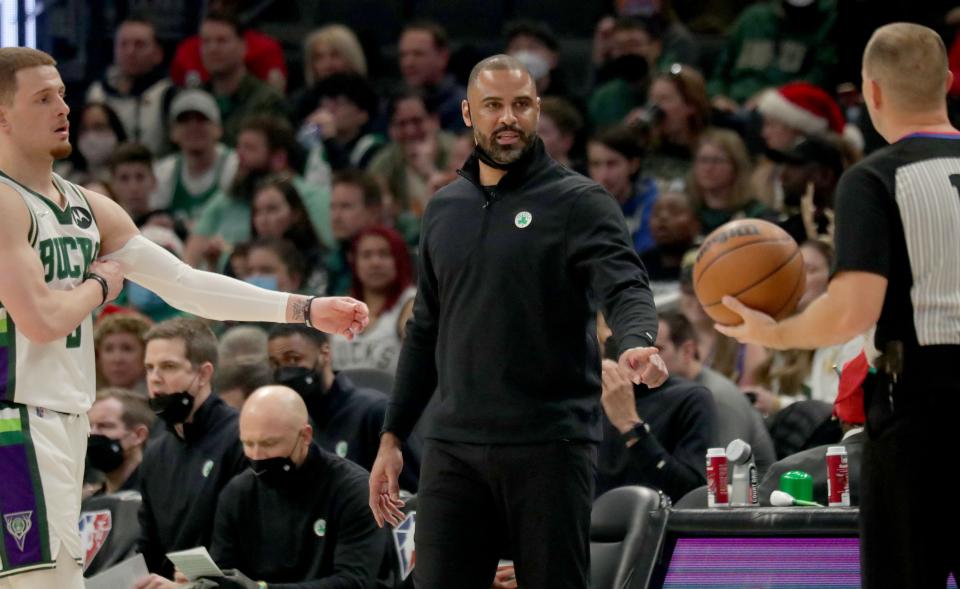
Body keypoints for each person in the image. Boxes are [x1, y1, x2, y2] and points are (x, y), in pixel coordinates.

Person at [0, 46, 367, 589]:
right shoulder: (5, 202)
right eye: (43, 97)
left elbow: (188, 286)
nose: (64, 107)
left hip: (62, 420)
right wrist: (103, 284)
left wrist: (304, 309)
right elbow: (41, 320)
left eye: (62, 93)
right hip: (15, 422)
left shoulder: (89, 207)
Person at [369, 54, 667, 589]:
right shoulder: (444, 209)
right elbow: (425, 330)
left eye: (522, 105)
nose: (509, 117)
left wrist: (638, 340)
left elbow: (624, 285)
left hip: (549, 445)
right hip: (454, 447)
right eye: (493, 106)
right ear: (467, 113)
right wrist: (393, 436)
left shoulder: (579, 201)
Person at [717, 23, 960, 588]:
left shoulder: (874, 178)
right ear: (948, 82)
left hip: (919, 408)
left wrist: (772, 333)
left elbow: (853, 310)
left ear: (871, 92)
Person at [207, 386, 385, 588]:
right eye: (248, 443)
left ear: (306, 436)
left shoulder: (353, 490)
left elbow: (354, 582)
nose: (256, 456)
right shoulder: (237, 493)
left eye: (269, 443)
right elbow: (225, 575)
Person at [268, 324, 421, 492]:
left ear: (324, 353)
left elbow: (416, 492)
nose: (284, 372)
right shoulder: (290, 422)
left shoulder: (374, 412)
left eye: (293, 359)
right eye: (276, 364)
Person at [596, 332, 717, 502]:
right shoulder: (588, 397)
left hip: (660, 523)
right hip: (589, 522)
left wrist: (630, 425)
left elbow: (693, 493)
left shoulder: (690, 398)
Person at [653, 311, 776, 475]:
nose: (648, 360)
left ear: (687, 351)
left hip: (749, 496)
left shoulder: (717, 398)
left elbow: (723, 479)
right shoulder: (672, 394)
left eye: (657, 350)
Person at [85, 16, 175, 156]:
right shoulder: (97, 93)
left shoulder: (168, 94)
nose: (130, 51)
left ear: (158, 53)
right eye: (123, 44)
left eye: (139, 45)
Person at [331, 226, 415, 375]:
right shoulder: (340, 304)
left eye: (384, 254)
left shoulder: (411, 303)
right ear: (354, 262)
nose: (375, 263)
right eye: (366, 255)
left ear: (400, 259)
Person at [150, 89, 238, 224]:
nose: (193, 127)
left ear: (218, 129)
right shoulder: (163, 171)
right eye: (184, 121)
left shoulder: (234, 166)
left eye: (201, 119)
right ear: (173, 132)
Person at [398, 21, 467, 132]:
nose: (408, 63)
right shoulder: (393, 105)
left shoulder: (463, 108)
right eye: (403, 55)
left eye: (418, 54)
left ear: (443, 57)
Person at [85, 387, 153, 495]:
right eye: (89, 426)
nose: (92, 433)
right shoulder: (88, 502)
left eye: (105, 426)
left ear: (138, 435)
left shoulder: (156, 496)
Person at [94, 312, 151, 394]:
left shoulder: (159, 401)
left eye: (127, 349)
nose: (117, 359)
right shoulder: (85, 399)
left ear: (145, 355)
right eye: (108, 349)